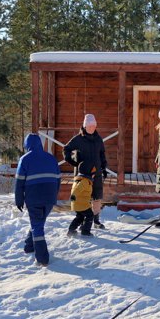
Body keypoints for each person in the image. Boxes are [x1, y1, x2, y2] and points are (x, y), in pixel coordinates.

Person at [15, 133, 61, 266]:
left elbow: (19, 183)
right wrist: (54, 195)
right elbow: (58, 179)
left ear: (27, 145)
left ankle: (42, 259)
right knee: (38, 223)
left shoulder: (25, 159)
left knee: (37, 226)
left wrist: (19, 201)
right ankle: (29, 246)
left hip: (34, 198)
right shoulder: (51, 158)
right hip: (49, 198)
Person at [64, 114, 106, 237]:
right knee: (83, 196)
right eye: (89, 126)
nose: (92, 128)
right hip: (83, 175)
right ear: (84, 126)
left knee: (97, 195)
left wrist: (104, 167)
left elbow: (102, 153)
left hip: (96, 172)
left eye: (94, 126)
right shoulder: (78, 139)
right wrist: (72, 160)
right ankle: (83, 222)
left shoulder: (98, 139)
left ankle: (96, 220)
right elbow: (66, 149)